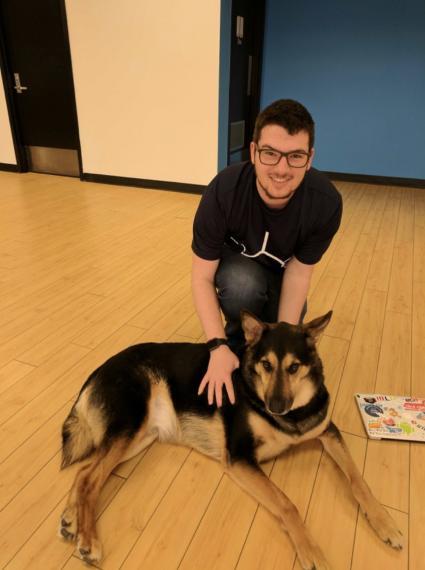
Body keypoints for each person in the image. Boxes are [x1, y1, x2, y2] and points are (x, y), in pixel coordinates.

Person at [191, 99, 342, 407]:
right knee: (241, 282)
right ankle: (236, 342)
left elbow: (299, 272)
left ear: (310, 158)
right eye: (270, 154)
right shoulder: (223, 192)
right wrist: (217, 347)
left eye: (295, 156)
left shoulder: (326, 203)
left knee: (284, 328)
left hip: (282, 280)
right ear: (253, 152)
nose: (282, 169)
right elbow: (202, 278)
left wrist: (284, 343)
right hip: (240, 277)